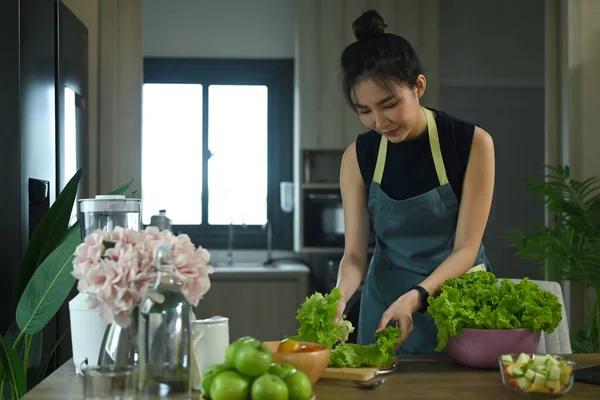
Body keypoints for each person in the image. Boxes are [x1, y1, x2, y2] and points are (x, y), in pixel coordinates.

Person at [333, 10, 495, 355]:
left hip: (459, 301)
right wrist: (339, 298)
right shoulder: (357, 157)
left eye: (389, 104)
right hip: (386, 303)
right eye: (364, 111)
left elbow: (466, 249)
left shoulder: (471, 143)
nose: (379, 122)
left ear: (418, 87)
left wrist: (417, 297)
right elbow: (353, 255)